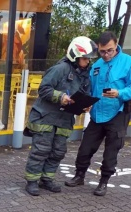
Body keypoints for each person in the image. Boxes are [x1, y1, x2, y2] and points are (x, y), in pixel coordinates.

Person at [23, 36, 98, 196]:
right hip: (46, 118)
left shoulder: (85, 75)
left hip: (64, 120)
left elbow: (85, 93)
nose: (88, 62)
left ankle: (46, 179)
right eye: (85, 58)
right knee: (41, 150)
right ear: (75, 55)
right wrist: (60, 96)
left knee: (58, 152)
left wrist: (85, 104)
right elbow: (43, 89)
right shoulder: (60, 69)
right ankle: (32, 181)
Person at [65, 31, 131, 196]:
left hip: (118, 113)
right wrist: (86, 103)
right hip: (97, 113)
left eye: (109, 50)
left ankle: (103, 182)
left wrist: (119, 93)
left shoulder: (128, 62)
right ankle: (79, 175)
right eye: (102, 51)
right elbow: (89, 88)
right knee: (85, 147)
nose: (106, 54)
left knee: (111, 151)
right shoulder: (96, 65)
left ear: (116, 45)